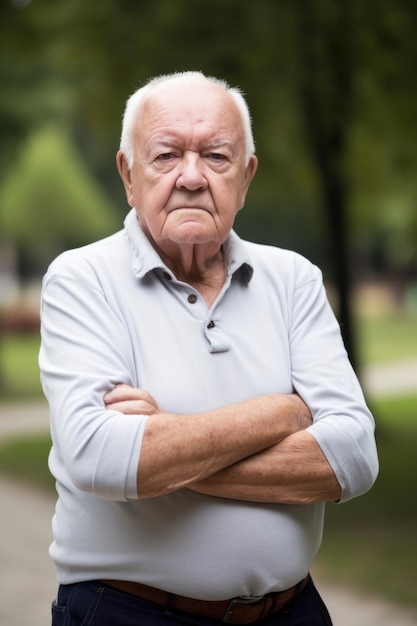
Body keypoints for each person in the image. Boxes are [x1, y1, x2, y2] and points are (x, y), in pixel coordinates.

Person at [39, 71, 378, 626]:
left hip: (293, 612)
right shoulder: (81, 278)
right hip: (130, 614)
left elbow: (354, 459)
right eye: (167, 155)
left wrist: (164, 448)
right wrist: (284, 410)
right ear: (129, 174)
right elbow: (98, 458)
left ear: (245, 177)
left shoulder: (294, 278)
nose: (192, 177)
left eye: (216, 157)